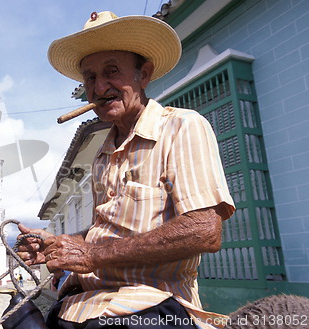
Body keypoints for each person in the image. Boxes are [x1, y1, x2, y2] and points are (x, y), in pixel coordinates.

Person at [16, 11, 235, 329]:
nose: (99, 86)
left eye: (112, 71)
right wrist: (59, 242)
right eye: (90, 78)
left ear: (143, 74)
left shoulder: (181, 127)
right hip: (85, 304)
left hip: (153, 307)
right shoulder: (103, 155)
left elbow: (204, 230)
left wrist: (91, 255)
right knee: (20, 316)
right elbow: (105, 231)